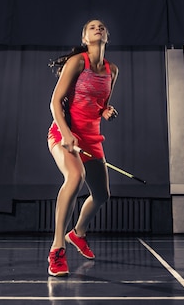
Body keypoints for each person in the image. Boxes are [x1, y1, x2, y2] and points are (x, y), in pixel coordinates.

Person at [46, 19, 119, 277]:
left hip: (91, 138)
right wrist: (66, 133)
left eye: (102, 27)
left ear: (107, 36)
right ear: (85, 38)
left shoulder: (112, 70)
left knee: (102, 196)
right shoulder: (78, 62)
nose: (98, 28)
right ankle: (57, 249)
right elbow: (55, 102)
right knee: (76, 177)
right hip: (64, 131)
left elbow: (100, 102)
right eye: (92, 27)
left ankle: (77, 233)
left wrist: (106, 110)